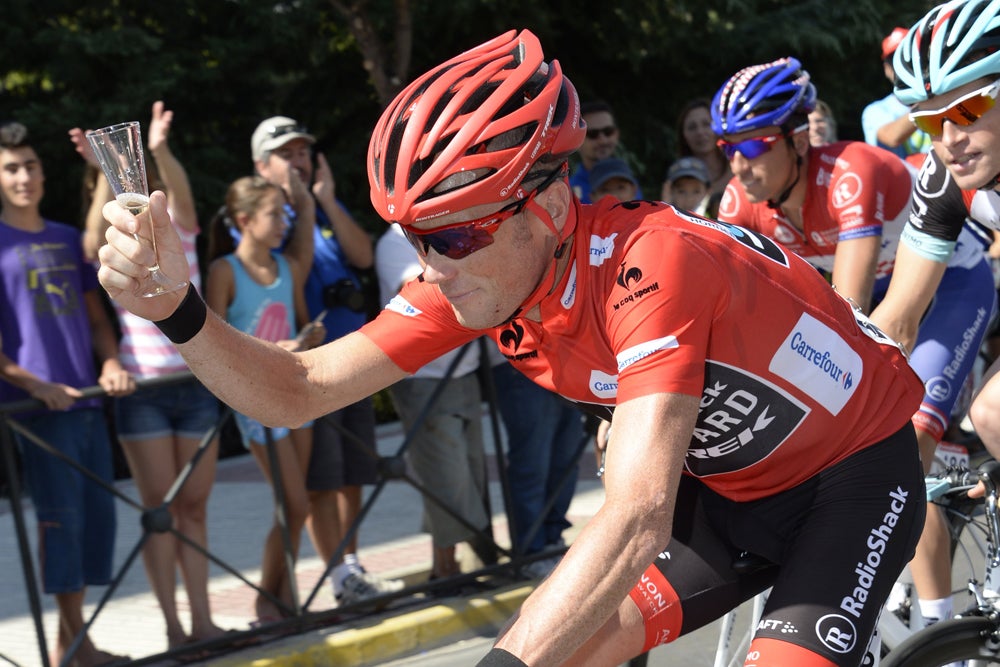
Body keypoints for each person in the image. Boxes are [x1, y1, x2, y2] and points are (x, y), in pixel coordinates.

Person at [98, 29, 929, 666]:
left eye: (454, 235)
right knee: (566, 647)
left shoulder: (651, 262)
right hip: (724, 498)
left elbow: (637, 513)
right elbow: (298, 387)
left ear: (551, 208)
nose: (431, 265)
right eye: (415, 236)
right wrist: (177, 309)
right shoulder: (480, 278)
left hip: (849, 479)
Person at [712, 55, 996, 635]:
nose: (739, 163)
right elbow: (737, 315)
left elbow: (851, 308)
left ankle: (940, 633)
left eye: (755, 144)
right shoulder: (739, 205)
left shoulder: (850, 173)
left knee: (912, 436)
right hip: (901, 301)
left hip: (954, 291)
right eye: (727, 148)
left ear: (797, 139)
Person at [69, 101, 229, 650]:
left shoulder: (178, 226)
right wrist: (101, 171)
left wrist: (159, 148)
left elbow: (178, 193)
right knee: (160, 513)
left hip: (195, 381)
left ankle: (203, 623)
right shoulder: (115, 244)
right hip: (144, 391)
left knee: (193, 509)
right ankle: (174, 629)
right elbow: (89, 242)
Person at [869, 0, 1000, 626]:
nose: (949, 139)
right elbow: (897, 317)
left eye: (967, 110)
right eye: (929, 119)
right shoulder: (945, 177)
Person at [250, 116, 402, 605]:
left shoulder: (322, 209)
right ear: (261, 166)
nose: (298, 160)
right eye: (285, 154)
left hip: (353, 357)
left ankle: (351, 568)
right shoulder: (266, 220)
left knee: (354, 473)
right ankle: (337, 576)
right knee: (322, 479)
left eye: (303, 151)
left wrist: (326, 200)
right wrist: (299, 209)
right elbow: (289, 276)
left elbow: (362, 257)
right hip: (309, 369)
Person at [0, 121, 135, 666]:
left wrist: (110, 361)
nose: (24, 177)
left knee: (97, 518)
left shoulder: (63, 237)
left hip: (85, 399)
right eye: (11, 168)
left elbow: (97, 316)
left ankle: (70, 645)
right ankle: (76, 649)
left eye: (30, 165)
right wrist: (34, 383)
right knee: (62, 521)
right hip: (38, 410)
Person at [205, 175, 324, 621]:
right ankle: (266, 601)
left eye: (284, 215)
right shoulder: (223, 271)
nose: (282, 224)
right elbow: (213, 340)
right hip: (255, 400)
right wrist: (274, 350)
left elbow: (300, 323)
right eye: (274, 214)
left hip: (295, 393)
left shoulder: (287, 267)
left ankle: (285, 599)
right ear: (244, 220)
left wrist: (308, 337)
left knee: (297, 505)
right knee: (293, 504)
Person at [375, 223, 491, 583]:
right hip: (423, 377)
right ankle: (446, 570)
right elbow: (425, 294)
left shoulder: (449, 228)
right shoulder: (393, 243)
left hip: (463, 369)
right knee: (446, 474)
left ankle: (470, 561)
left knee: (469, 472)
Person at [861, 26, 933, 159]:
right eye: (896, 61)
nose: (904, 67)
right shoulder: (874, 111)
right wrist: (932, 100)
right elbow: (891, 137)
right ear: (887, 69)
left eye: (910, 58)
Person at [661, 98, 732, 217]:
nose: (700, 132)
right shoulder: (675, 175)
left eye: (706, 124)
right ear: (683, 135)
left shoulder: (739, 167)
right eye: (692, 127)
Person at [569, 101, 642, 204]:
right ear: (577, 140)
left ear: (616, 134)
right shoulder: (568, 191)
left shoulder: (628, 181)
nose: (603, 140)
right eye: (593, 134)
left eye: (608, 131)